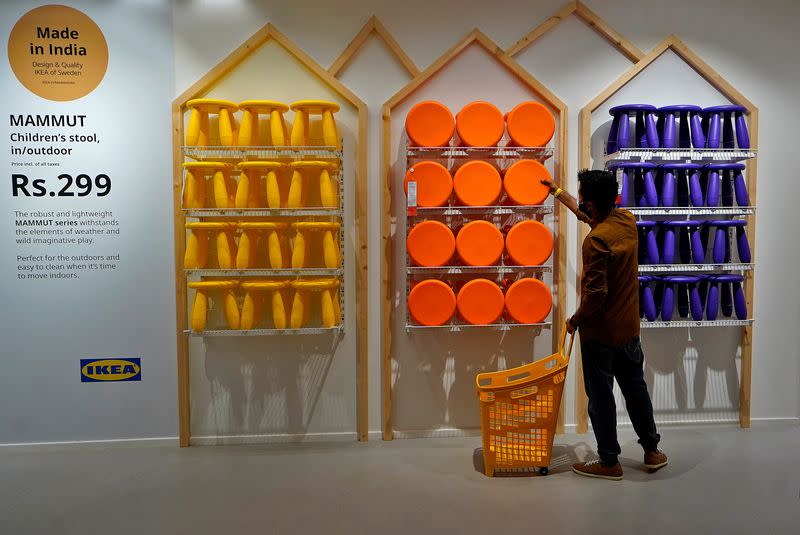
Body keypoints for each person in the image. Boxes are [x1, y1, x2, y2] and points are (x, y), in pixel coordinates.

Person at [543, 169, 667, 481]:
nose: (580, 203)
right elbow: (590, 216)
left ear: (592, 206)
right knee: (636, 389)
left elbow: (596, 296)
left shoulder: (595, 242)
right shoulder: (625, 220)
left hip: (600, 334)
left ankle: (609, 460)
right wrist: (559, 194)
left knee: (601, 397)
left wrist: (574, 321)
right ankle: (652, 450)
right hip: (629, 329)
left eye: (582, 198)